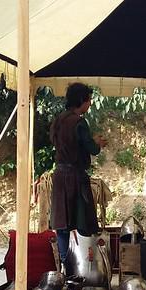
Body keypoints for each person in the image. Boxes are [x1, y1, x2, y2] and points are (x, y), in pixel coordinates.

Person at [50, 82, 108, 264]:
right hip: (74, 177)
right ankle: (81, 265)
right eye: (89, 100)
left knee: (62, 224)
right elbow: (92, 149)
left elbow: (65, 143)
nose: (90, 103)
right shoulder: (79, 122)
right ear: (81, 100)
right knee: (82, 223)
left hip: (60, 176)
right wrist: (97, 143)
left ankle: (64, 264)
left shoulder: (58, 120)